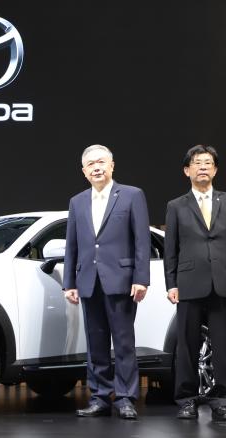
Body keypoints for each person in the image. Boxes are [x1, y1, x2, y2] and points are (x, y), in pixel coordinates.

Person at [63, 144, 151, 420]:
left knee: (123, 343)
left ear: (112, 166)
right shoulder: (77, 202)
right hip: (89, 281)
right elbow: (71, 245)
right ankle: (100, 396)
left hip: (121, 280)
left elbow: (142, 241)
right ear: (84, 171)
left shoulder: (132, 195)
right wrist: (69, 283)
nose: (96, 167)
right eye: (91, 164)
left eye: (101, 162)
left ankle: (125, 398)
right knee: (96, 343)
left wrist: (141, 279)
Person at [164, 145, 226, 421]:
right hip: (189, 282)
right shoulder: (176, 206)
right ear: (186, 170)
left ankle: (221, 401)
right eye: (197, 163)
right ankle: (186, 400)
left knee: (222, 346)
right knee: (186, 345)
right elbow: (171, 249)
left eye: (208, 163)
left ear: (215, 170)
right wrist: (171, 283)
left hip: (224, 281)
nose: (203, 167)